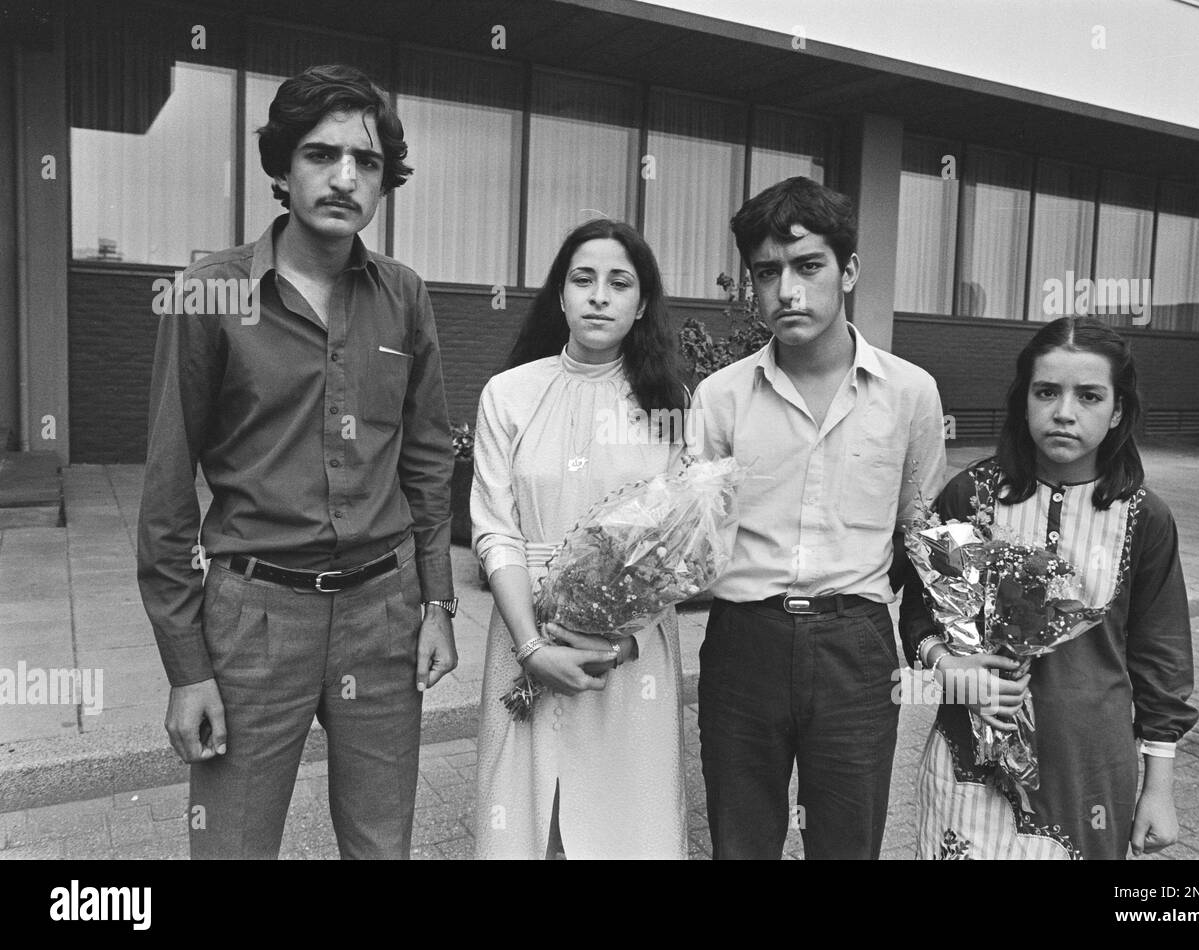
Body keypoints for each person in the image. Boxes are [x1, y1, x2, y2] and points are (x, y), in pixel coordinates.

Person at [137, 64, 458, 859]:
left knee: (382, 846)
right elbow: (168, 496)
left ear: (386, 180)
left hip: (384, 614)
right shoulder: (206, 296)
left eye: (368, 161)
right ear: (281, 168)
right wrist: (186, 669)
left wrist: (439, 602)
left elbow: (425, 460)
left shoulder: (404, 296)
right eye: (321, 155)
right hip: (254, 621)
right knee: (232, 848)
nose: (345, 177)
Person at [686, 177, 947, 859]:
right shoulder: (720, 398)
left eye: (809, 266)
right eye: (767, 272)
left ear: (849, 269)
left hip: (854, 646)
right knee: (741, 842)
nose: (788, 291)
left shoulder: (911, 394)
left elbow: (917, 531)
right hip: (745, 641)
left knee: (846, 843)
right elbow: (698, 538)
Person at [904, 316, 1198, 859]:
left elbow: (1162, 659)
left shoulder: (1145, 519)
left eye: (1089, 396)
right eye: (1047, 392)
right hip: (970, 761)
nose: (1064, 412)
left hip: (1089, 769)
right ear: (1024, 401)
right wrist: (948, 668)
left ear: (1118, 412)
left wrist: (1159, 789)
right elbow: (921, 616)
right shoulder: (969, 498)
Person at [471, 219, 691, 859]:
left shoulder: (669, 403)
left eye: (619, 282)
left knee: (625, 825)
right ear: (561, 296)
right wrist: (532, 647)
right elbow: (495, 531)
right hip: (523, 631)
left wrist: (619, 636)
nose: (599, 295)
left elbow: (678, 544)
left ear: (641, 301)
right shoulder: (508, 394)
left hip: (633, 650)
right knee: (528, 826)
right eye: (583, 279)